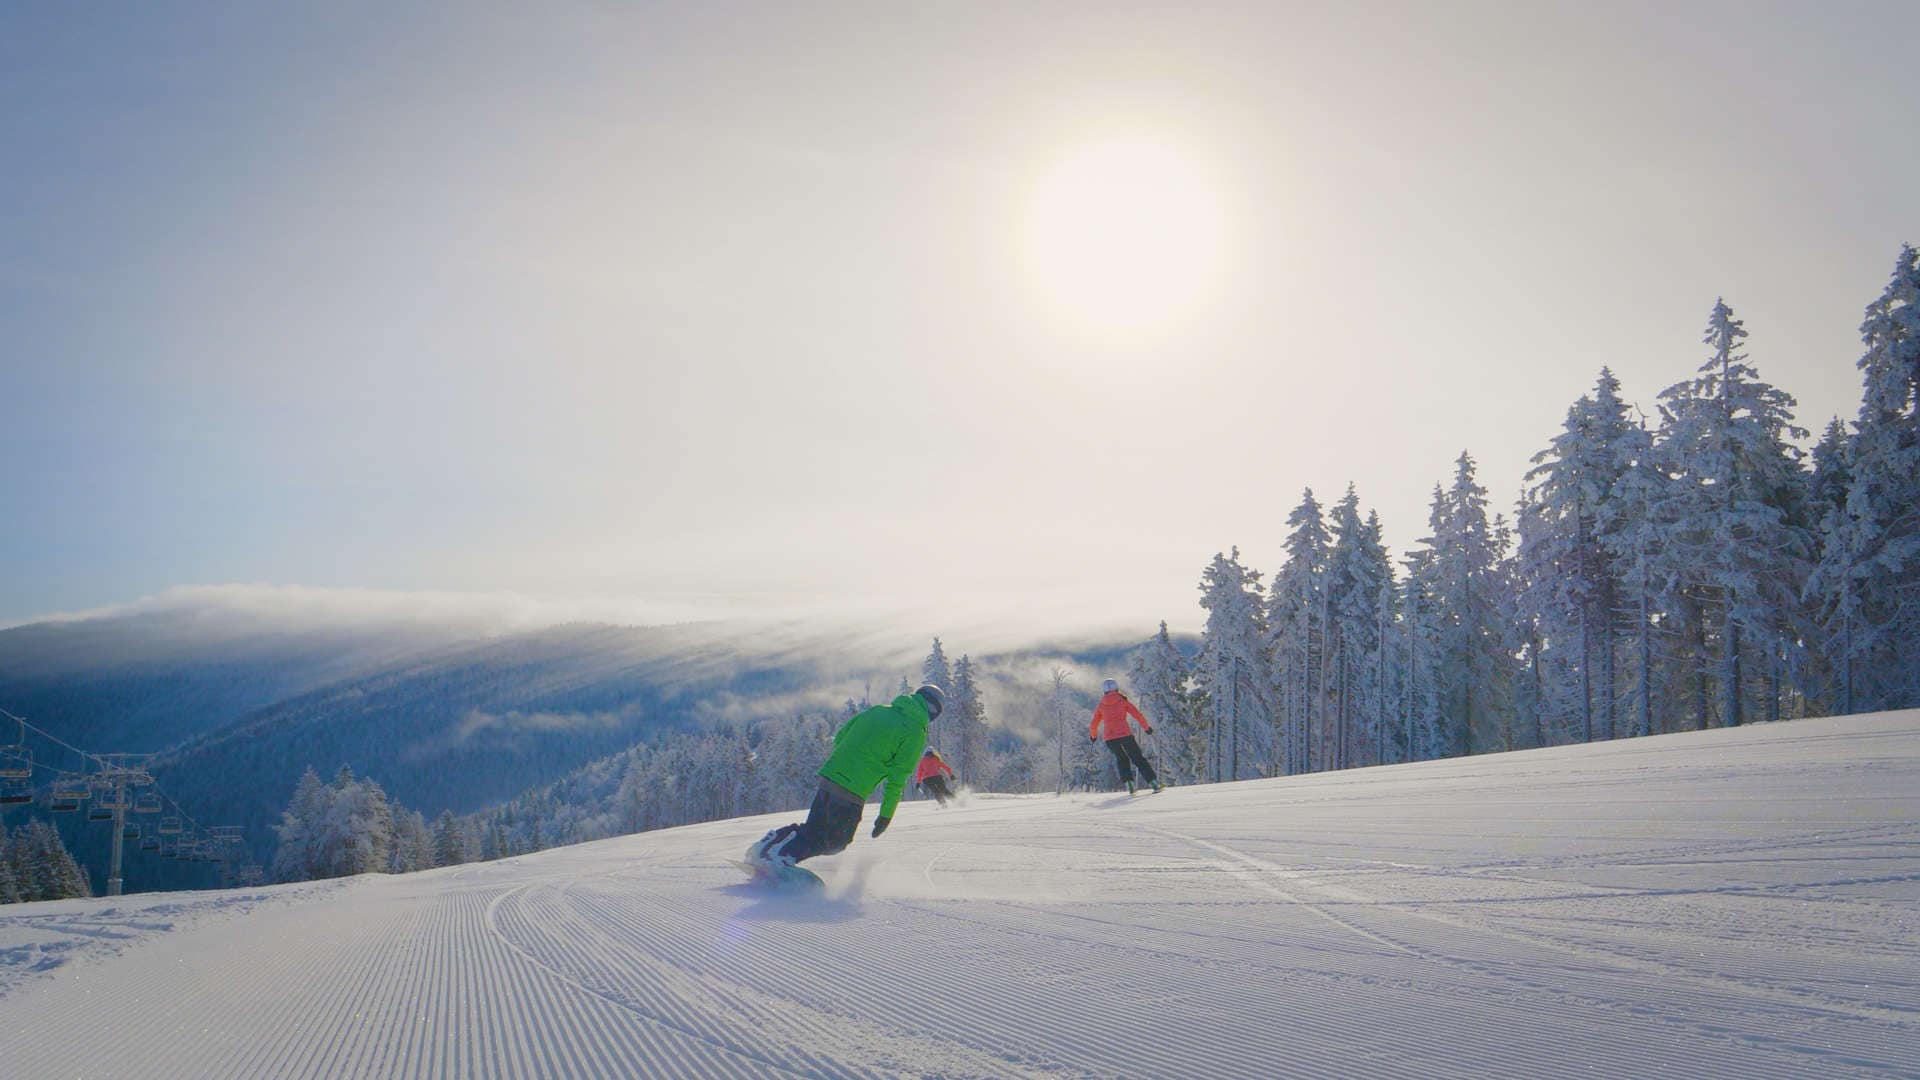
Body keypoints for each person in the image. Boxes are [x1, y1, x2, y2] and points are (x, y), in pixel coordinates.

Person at [748, 683, 945, 869]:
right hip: (852, 789)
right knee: (835, 842)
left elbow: (841, 736)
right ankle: (782, 856)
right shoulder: (915, 732)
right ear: (933, 711)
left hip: (830, 777)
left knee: (814, 829)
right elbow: (897, 777)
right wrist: (885, 815)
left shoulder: (879, 710)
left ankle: (771, 843)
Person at [1089, 678, 1162, 794]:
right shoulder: (1122, 701)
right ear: (1116, 689)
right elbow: (1137, 715)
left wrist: (1093, 736)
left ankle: (1129, 784)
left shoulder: (1101, 705)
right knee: (1138, 758)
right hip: (1125, 735)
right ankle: (1153, 782)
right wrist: (1147, 728)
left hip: (1110, 738)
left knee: (1121, 759)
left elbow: (1094, 724)